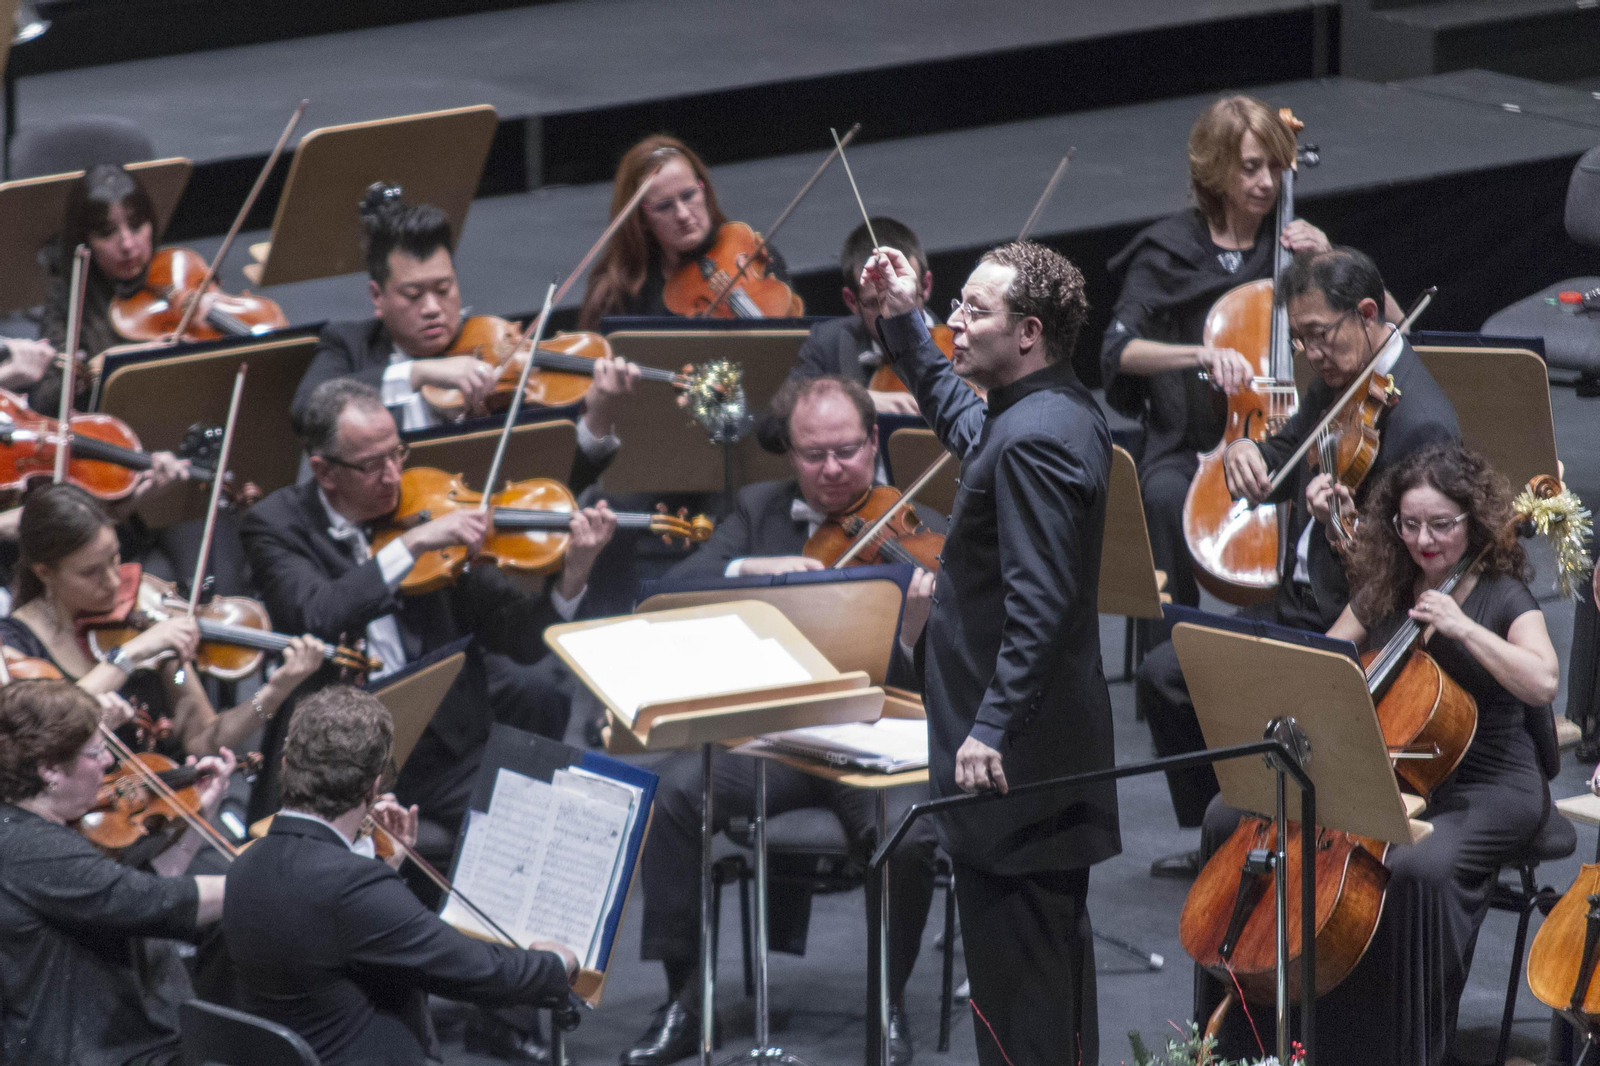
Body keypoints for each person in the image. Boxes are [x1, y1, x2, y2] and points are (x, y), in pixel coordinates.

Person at [1202, 444, 1560, 1065]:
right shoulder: (1387, 586)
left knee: (1419, 869)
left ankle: (1406, 1049)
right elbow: (1325, 660)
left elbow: (1543, 680)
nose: (1424, 539)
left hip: (1490, 781)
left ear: (1471, 520)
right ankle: (1247, 1040)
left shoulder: (1504, 598)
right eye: (1410, 524)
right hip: (1396, 764)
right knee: (1223, 818)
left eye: (1441, 525)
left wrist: (1463, 627)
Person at [626, 375, 939, 1066]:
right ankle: (683, 999)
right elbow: (676, 590)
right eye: (812, 454)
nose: (831, 470)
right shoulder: (758, 507)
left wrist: (914, 630)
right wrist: (756, 566)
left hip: (872, 741)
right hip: (774, 740)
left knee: (910, 839)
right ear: (790, 453)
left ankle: (887, 1001)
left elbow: (960, 675)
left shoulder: (921, 526)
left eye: (846, 451)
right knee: (675, 795)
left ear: (875, 439)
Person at [861, 240, 1120, 1065]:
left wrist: (989, 727)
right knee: (1039, 994)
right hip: (1032, 771)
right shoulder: (1039, 412)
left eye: (974, 310)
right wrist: (903, 320)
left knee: (1025, 1009)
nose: (955, 322)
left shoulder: (1036, 437)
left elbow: (1040, 606)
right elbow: (969, 423)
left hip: (1019, 775)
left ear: (1030, 332)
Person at [1135, 246, 1460, 870]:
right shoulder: (1339, 381)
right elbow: (1284, 454)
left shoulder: (1420, 423)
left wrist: (1344, 523)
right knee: (1167, 673)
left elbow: (1406, 573)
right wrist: (1244, 455)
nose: (1310, 356)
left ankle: (1239, 833)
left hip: (1354, 628)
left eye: (1319, 337)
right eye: (1301, 340)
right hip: (1295, 608)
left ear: (1368, 314)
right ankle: (1228, 837)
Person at [240, 378, 615, 845]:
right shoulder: (275, 526)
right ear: (324, 471)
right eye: (371, 466)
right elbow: (319, 613)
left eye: (397, 454)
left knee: (556, 825)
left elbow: (516, 637)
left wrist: (573, 574)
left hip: (440, 742)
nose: (393, 477)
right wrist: (410, 545)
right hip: (337, 755)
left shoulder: (427, 501)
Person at [224, 685, 578, 1066]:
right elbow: (478, 971)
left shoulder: (245, 865)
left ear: (284, 767)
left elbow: (335, 937)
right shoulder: (352, 888)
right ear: (374, 787)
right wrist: (556, 965)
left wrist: (382, 867)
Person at [1101, 94, 1336, 625]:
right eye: (1251, 168)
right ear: (1216, 170)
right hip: (1193, 444)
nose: (1268, 183)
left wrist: (1330, 260)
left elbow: (1373, 321)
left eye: (1276, 167)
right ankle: (1174, 661)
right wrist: (1202, 354)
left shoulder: (1294, 241)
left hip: (1285, 434)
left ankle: (1307, 643)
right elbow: (1117, 351)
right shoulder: (1170, 250)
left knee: (1326, 495)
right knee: (1162, 498)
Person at [291, 187, 642, 447]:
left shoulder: (498, 359)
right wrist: (420, 372)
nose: (432, 307)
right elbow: (308, 410)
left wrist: (598, 417)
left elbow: (555, 483)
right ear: (377, 297)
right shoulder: (348, 344)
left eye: (444, 289)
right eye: (413, 295)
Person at [0, 678, 233, 1066]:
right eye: (95, 753)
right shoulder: (31, 848)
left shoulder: (31, 829)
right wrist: (258, 884)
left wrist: (195, 818)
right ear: (49, 769)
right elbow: (145, 902)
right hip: (91, 1053)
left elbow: (134, 893)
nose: (109, 762)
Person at [0, 483, 326, 759]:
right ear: (44, 571)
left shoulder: (145, 610)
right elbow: (43, 728)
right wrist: (133, 653)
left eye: (115, 558)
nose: (114, 581)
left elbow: (203, 739)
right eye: (90, 572)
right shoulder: (15, 644)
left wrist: (274, 692)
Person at [577, 134, 789, 328]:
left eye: (689, 195)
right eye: (664, 206)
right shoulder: (619, 292)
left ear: (703, 189)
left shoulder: (753, 255)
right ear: (641, 219)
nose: (683, 215)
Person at [791, 218, 933, 417]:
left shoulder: (962, 340)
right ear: (851, 301)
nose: (891, 314)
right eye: (875, 303)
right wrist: (856, 400)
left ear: (925, 286)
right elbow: (772, 428)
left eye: (902, 296)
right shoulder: (827, 343)